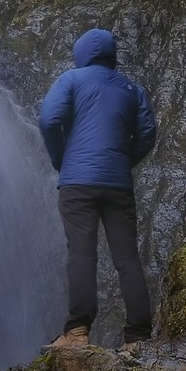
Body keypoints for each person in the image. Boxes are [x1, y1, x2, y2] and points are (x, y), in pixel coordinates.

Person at [38, 28, 158, 349]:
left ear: (81, 54)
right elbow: (147, 133)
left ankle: (77, 333)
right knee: (127, 258)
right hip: (118, 185)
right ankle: (138, 336)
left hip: (77, 183)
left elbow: (50, 120)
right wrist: (121, 161)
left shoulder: (72, 80)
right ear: (111, 55)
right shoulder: (131, 89)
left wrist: (61, 158)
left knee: (81, 253)